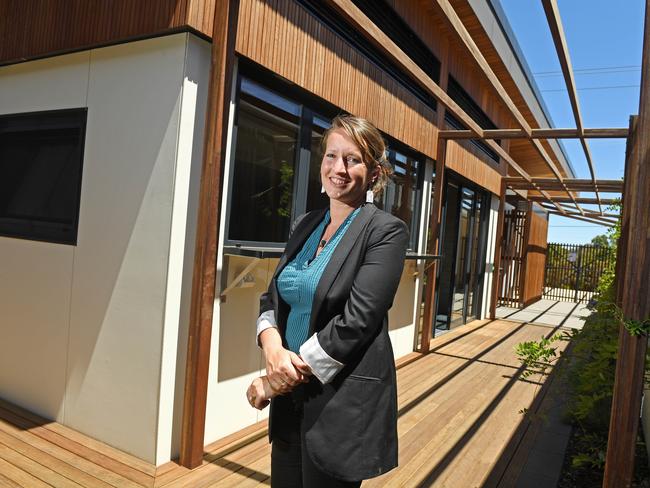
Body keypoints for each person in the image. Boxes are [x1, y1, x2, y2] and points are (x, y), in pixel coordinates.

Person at [246, 114, 409, 487]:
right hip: (290, 404)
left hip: (338, 406)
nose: (339, 168)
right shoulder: (305, 224)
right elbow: (273, 295)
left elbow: (357, 322)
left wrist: (275, 382)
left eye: (352, 159)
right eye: (331, 156)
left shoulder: (384, 231)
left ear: (373, 173)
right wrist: (272, 347)